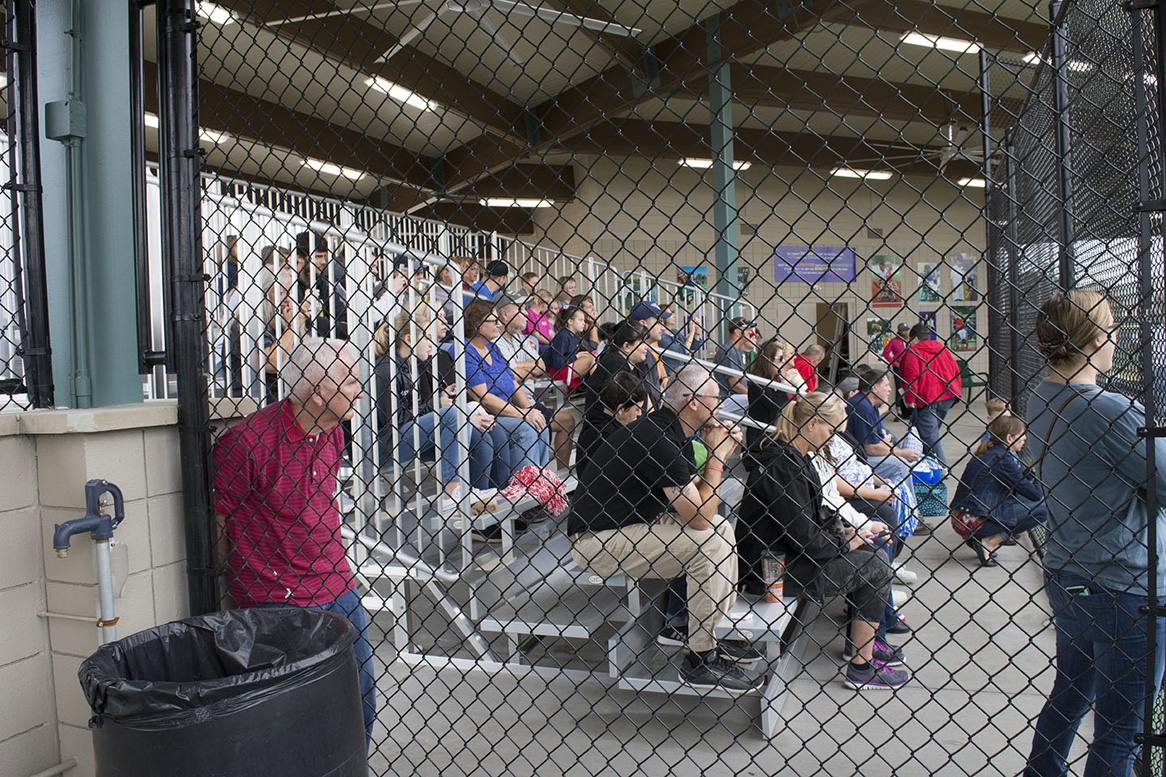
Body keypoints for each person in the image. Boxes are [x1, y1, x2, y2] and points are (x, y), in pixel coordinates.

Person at [1023, 290, 1166, 777]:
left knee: (1070, 694)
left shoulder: (1041, 396)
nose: (1117, 337)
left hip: (1068, 572)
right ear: (1092, 340)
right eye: (1111, 328)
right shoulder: (1113, 412)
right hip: (1125, 584)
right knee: (1120, 729)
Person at [212, 338, 376, 740]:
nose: (360, 389)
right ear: (318, 392)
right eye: (351, 381)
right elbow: (219, 521)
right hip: (276, 598)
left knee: (361, 702)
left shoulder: (333, 433)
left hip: (338, 582)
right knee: (301, 717)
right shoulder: (246, 442)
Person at [569, 364, 763, 693]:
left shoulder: (674, 434)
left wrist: (717, 454)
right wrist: (716, 457)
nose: (723, 405)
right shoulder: (657, 437)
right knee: (709, 541)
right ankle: (699, 659)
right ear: (693, 402)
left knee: (720, 529)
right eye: (716, 398)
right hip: (595, 539)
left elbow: (701, 503)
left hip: (631, 525)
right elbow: (697, 517)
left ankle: (710, 636)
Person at [737, 391, 910, 691]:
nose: (832, 440)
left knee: (872, 550)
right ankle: (861, 665)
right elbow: (804, 538)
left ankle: (863, 651)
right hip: (771, 571)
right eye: (831, 431)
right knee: (876, 564)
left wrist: (845, 535)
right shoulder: (784, 465)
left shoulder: (797, 458)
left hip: (785, 557)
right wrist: (846, 542)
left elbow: (807, 528)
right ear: (813, 423)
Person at [374, 308, 504, 513]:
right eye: (426, 337)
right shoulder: (386, 369)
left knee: (480, 435)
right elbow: (394, 421)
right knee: (455, 416)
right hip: (388, 443)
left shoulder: (413, 365)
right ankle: (452, 491)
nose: (431, 343)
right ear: (409, 339)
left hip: (411, 434)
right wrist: (439, 405)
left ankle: (477, 492)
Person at [461, 300, 551, 474]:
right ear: (477, 325)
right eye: (493, 321)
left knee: (540, 422)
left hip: (508, 410)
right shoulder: (466, 351)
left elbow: (513, 382)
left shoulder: (493, 348)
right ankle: (523, 485)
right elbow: (484, 397)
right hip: (488, 416)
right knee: (526, 429)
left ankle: (540, 481)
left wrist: (530, 409)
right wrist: (523, 414)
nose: (499, 324)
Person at [950, 414, 1047, 567]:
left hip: (963, 517)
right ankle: (989, 541)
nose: (1025, 438)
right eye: (1022, 435)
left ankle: (977, 538)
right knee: (1042, 509)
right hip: (972, 521)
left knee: (1027, 502)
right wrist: (1038, 473)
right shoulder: (1003, 460)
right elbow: (1035, 495)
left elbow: (1020, 490)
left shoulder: (992, 452)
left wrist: (1028, 473)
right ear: (1009, 438)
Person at [845, 365, 920, 488]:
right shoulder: (863, 407)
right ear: (874, 388)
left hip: (864, 454)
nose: (890, 389)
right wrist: (901, 453)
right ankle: (909, 506)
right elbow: (871, 449)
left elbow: (879, 439)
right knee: (900, 465)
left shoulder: (871, 404)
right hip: (857, 459)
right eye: (886, 385)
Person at [898, 323, 962, 467]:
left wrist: (909, 399)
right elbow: (955, 370)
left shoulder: (914, 352)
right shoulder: (942, 349)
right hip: (947, 394)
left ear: (914, 339)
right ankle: (929, 463)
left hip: (926, 398)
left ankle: (941, 466)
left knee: (929, 436)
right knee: (928, 432)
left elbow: (911, 377)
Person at [576, 372, 647, 478]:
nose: (640, 414)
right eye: (637, 409)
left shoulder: (599, 423)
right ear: (621, 409)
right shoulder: (607, 435)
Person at [579, 321, 650, 412]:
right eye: (642, 342)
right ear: (626, 346)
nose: (646, 346)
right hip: (606, 423)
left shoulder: (636, 362)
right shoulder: (615, 363)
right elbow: (623, 409)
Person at [627, 300, 672, 406]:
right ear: (643, 324)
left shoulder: (650, 357)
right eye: (658, 321)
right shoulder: (628, 356)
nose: (662, 327)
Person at [712, 316, 759, 418]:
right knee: (759, 401)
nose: (751, 333)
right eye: (747, 330)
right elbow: (734, 384)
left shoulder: (738, 350)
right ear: (738, 332)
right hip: (725, 399)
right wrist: (752, 395)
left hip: (734, 398)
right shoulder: (729, 350)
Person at [543, 305, 598, 391]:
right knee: (591, 358)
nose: (583, 323)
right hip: (557, 371)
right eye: (580, 320)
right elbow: (558, 363)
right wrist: (576, 356)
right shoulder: (563, 336)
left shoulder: (574, 336)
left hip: (567, 367)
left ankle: (591, 386)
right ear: (570, 321)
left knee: (592, 356)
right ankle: (597, 387)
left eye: (584, 320)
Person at [882, 323, 911, 415]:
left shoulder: (910, 341)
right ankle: (899, 409)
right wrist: (894, 362)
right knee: (899, 387)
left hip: (908, 367)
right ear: (900, 331)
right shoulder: (894, 341)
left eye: (907, 330)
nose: (906, 332)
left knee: (909, 386)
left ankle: (908, 408)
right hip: (899, 367)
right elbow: (886, 353)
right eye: (905, 330)